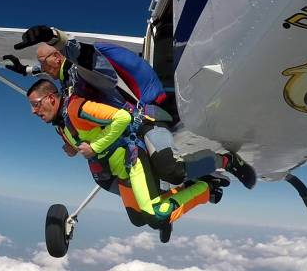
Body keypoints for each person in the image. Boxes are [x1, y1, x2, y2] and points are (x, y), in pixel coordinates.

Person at [5, 26, 257, 190]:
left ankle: (225, 160)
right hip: (125, 132)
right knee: (121, 182)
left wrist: (56, 38)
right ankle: (185, 194)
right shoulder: (65, 77)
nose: (41, 66)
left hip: (145, 119)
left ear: (58, 56)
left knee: (171, 170)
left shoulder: (83, 69)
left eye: (43, 61)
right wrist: (27, 71)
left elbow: (86, 58)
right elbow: (58, 79)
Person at [26, 78, 223, 232]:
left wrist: (94, 147)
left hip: (133, 160)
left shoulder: (77, 108)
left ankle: (205, 189)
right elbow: (83, 135)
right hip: (120, 173)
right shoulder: (61, 125)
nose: (33, 111)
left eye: (35, 104)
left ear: (51, 98)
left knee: (155, 215)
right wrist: (72, 147)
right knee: (138, 219)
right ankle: (181, 192)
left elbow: (122, 117)